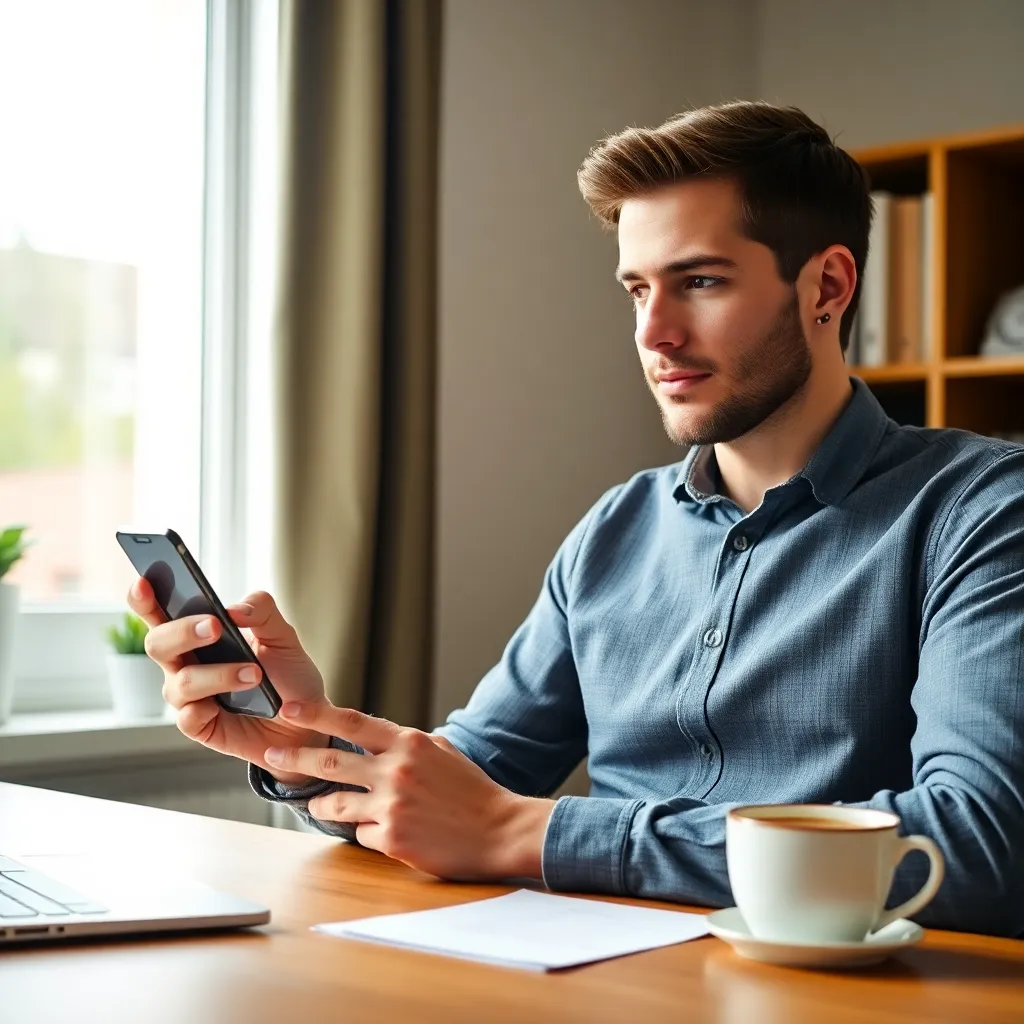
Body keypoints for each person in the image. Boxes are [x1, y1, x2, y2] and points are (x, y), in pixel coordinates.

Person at [130, 101, 1024, 937]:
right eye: (638, 290)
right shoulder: (618, 528)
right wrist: (309, 742)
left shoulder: (983, 513)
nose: (654, 332)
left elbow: (980, 843)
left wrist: (543, 836)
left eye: (700, 281)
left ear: (825, 285)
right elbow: (472, 786)